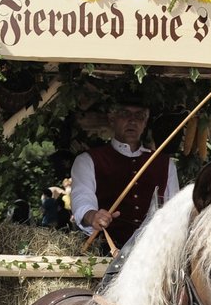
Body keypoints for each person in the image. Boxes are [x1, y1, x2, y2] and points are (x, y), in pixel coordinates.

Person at [70, 97, 179, 250]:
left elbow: (173, 210)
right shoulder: (88, 160)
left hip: (152, 254)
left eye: (139, 116)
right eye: (125, 114)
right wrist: (92, 216)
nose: (132, 121)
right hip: (106, 252)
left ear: (145, 123)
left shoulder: (165, 163)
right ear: (112, 119)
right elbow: (81, 198)